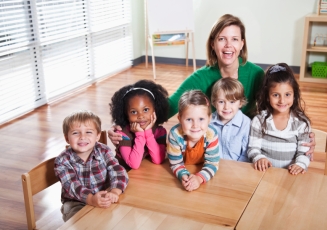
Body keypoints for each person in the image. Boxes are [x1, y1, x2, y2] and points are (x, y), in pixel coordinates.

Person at [108, 14, 316, 157]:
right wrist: (124, 126)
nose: (228, 45)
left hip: (250, 149)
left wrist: (302, 135)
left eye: (234, 39)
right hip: (211, 151)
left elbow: (280, 106)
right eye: (222, 39)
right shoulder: (200, 78)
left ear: (242, 44)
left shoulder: (256, 75)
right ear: (213, 44)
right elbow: (165, 108)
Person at [54, 110, 128, 222]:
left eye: (88, 132)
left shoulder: (103, 150)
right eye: (75, 133)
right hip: (76, 203)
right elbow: (72, 186)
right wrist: (91, 199)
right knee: (82, 224)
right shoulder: (62, 161)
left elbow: (117, 170)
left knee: (121, 218)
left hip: (105, 195)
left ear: (97, 136)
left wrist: (115, 191)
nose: (82, 137)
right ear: (67, 138)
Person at [247, 63, 311, 175]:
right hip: (264, 175)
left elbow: (304, 152)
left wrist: (300, 164)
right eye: (276, 95)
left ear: (294, 95)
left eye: (287, 94)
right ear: (267, 96)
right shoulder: (259, 121)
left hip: (291, 176)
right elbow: (253, 148)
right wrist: (259, 158)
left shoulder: (301, 123)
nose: (282, 101)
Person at [109, 79, 169, 170]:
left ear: (155, 110)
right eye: (133, 112)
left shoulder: (160, 131)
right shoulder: (123, 134)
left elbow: (158, 160)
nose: (140, 116)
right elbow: (134, 164)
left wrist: (148, 134)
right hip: (122, 175)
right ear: (126, 114)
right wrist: (140, 135)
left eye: (145, 110)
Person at [167, 90, 220, 192]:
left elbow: (212, 163)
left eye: (201, 119)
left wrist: (199, 179)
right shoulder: (175, 134)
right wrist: (185, 178)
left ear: (209, 118)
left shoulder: (211, 134)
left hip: (202, 170)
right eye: (189, 119)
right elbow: (175, 163)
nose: (195, 125)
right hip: (184, 168)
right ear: (180, 119)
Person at [210, 77, 250, 161]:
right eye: (221, 102)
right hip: (213, 166)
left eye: (232, 102)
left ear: (240, 103)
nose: (226, 107)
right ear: (214, 103)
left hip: (238, 169)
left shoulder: (246, 123)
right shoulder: (208, 122)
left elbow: (246, 153)